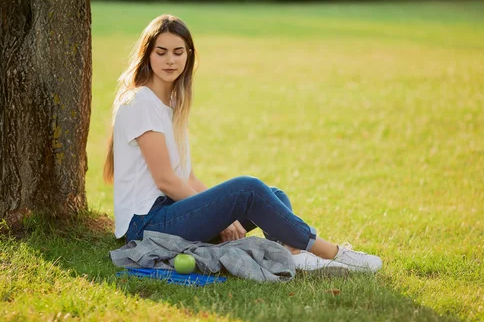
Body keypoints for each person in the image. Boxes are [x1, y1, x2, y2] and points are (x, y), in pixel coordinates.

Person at [103, 14, 382, 273]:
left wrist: (220, 212)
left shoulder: (171, 103)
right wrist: (223, 217)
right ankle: (333, 253)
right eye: (161, 52)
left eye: (178, 52)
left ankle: (294, 254)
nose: (170, 60)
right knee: (249, 190)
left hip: (172, 213)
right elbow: (166, 180)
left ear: (189, 56)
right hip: (148, 225)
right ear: (147, 55)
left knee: (273, 197)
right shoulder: (140, 102)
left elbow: (186, 176)